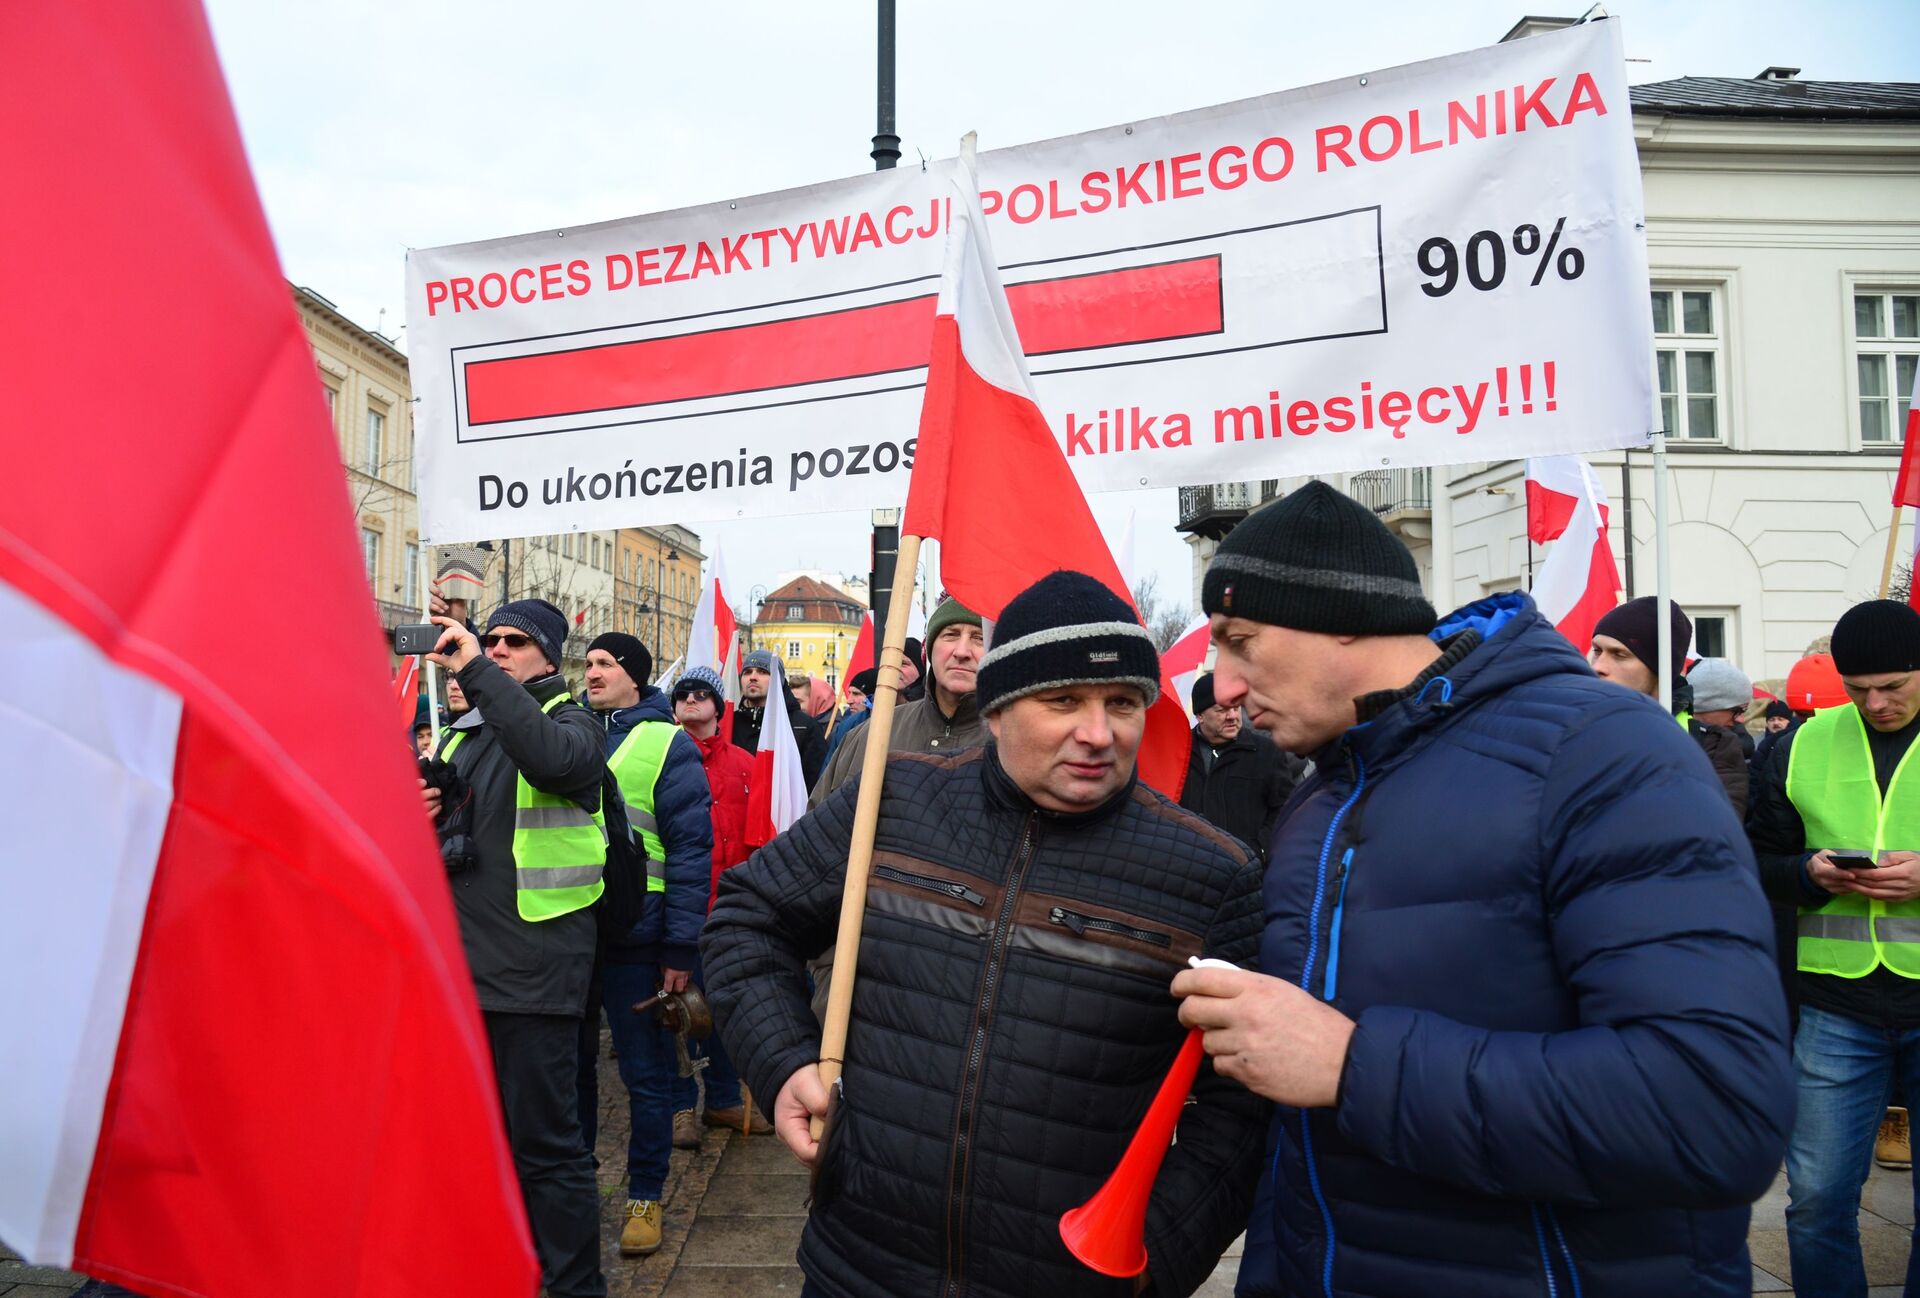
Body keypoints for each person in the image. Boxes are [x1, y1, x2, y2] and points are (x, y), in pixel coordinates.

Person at [1175, 481, 1792, 1298]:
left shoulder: (1601, 750)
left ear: (1342, 611)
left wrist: (1354, 1063)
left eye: (1240, 640)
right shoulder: (1322, 796)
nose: (1220, 683)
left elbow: (1717, 1109)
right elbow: (1301, 1147)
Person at [701, 571, 1268, 1298]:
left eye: (1122, 702)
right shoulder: (892, 798)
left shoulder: (1213, 873)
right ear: (998, 710)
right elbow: (747, 919)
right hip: (859, 1270)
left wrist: (1156, 1253)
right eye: (1062, 700)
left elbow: (1244, 1106)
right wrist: (783, 1063)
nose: (1098, 733)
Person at [421, 597, 608, 1298]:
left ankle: (573, 1288)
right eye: (488, 639)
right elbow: (454, 853)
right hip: (462, 972)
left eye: (512, 642)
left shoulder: (571, 723)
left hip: (534, 975)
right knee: (472, 1151)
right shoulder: (463, 734)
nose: (495, 649)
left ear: (548, 658)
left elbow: (552, 758)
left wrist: (473, 668)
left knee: (547, 1153)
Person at [1748, 599, 1920, 1295]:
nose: (1875, 703)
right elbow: (1754, 860)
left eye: (1893, 687)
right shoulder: (1799, 744)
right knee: (1816, 1201)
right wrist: (1806, 873)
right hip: (1833, 1007)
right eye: (1858, 690)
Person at [576, 631, 712, 1256]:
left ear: (635, 675)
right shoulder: (573, 732)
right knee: (574, 1073)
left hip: (639, 936)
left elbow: (690, 851)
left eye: (606, 663)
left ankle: (645, 1195)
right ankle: (572, 1195)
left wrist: (681, 948)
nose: (593, 670)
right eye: (589, 662)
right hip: (573, 929)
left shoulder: (667, 742)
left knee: (646, 1075)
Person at [670, 665, 771, 1136]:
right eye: (682, 694)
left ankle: (726, 1100)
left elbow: (762, 836)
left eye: (700, 694)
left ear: (717, 705)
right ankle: (682, 1108)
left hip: (729, 910)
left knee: (726, 1009)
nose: (690, 700)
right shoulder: (663, 756)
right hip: (676, 909)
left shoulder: (746, 765)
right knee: (679, 1013)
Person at [811, 597, 987, 800]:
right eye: (951, 635)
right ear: (928, 649)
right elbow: (819, 822)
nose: (962, 651)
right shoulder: (871, 733)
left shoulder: (1015, 741)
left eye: (979, 638)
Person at [1590, 596, 1749, 813]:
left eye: (1619, 654)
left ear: (1659, 670)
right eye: (1597, 650)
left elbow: (1710, 832)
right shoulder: (1568, 731)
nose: (1598, 666)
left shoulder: (1713, 746)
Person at [1177, 671, 1302, 860]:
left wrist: (1260, 848)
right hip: (1191, 866)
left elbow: (1286, 807)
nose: (1232, 716)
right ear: (1200, 716)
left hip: (1247, 870)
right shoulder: (1179, 752)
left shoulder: (1266, 752)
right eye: (1221, 710)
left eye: (1235, 708)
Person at [733, 649, 827, 787]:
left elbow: (816, 784)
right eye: (747, 672)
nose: (753, 677)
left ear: (779, 679)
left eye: (763, 672)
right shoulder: (730, 723)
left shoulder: (804, 726)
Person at [1688, 656, 1757, 817]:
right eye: (1737, 711)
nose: (1741, 719)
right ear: (1707, 704)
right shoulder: (1663, 733)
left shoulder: (1727, 743)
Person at [822, 667, 876, 764]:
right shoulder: (843, 728)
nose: (849, 700)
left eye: (856, 694)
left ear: (873, 696)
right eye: (849, 693)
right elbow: (828, 769)